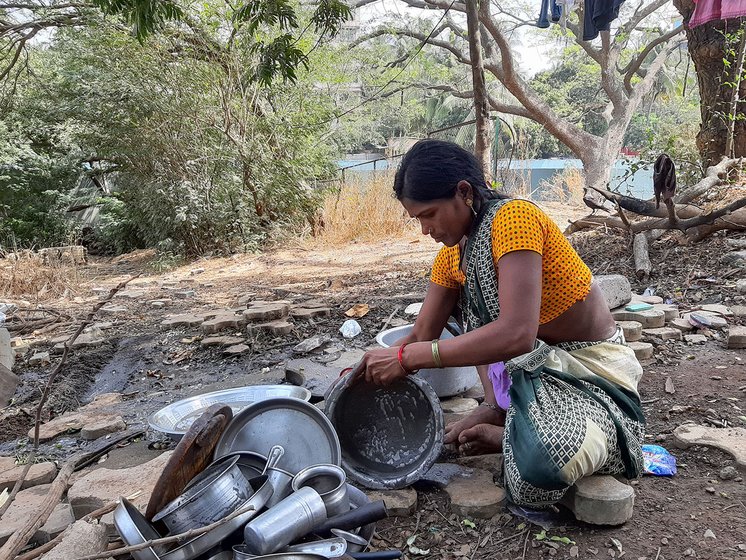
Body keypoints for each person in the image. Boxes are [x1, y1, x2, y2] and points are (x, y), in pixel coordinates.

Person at [354, 139, 645, 508]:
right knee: (472, 317)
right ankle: (504, 410)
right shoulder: (453, 255)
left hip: (588, 372)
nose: (425, 230)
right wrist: (361, 373)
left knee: (540, 470)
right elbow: (420, 334)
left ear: (463, 192)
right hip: (534, 372)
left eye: (429, 214)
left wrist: (409, 359)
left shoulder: (514, 218)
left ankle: (519, 433)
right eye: (418, 220)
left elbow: (516, 334)